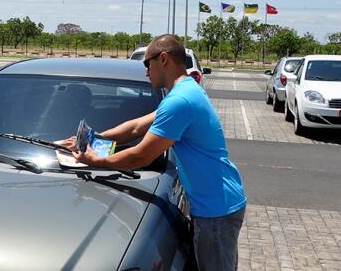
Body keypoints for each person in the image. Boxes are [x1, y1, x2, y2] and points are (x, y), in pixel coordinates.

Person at [71, 34, 247, 271]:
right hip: (217, 202)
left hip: (216, 210)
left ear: (163, 59)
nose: (146, 71)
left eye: (147, 63)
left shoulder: (180, 101)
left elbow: (141, 156)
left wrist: (96, 161)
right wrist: (92, 138)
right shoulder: (185, 90)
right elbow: (134, 128)